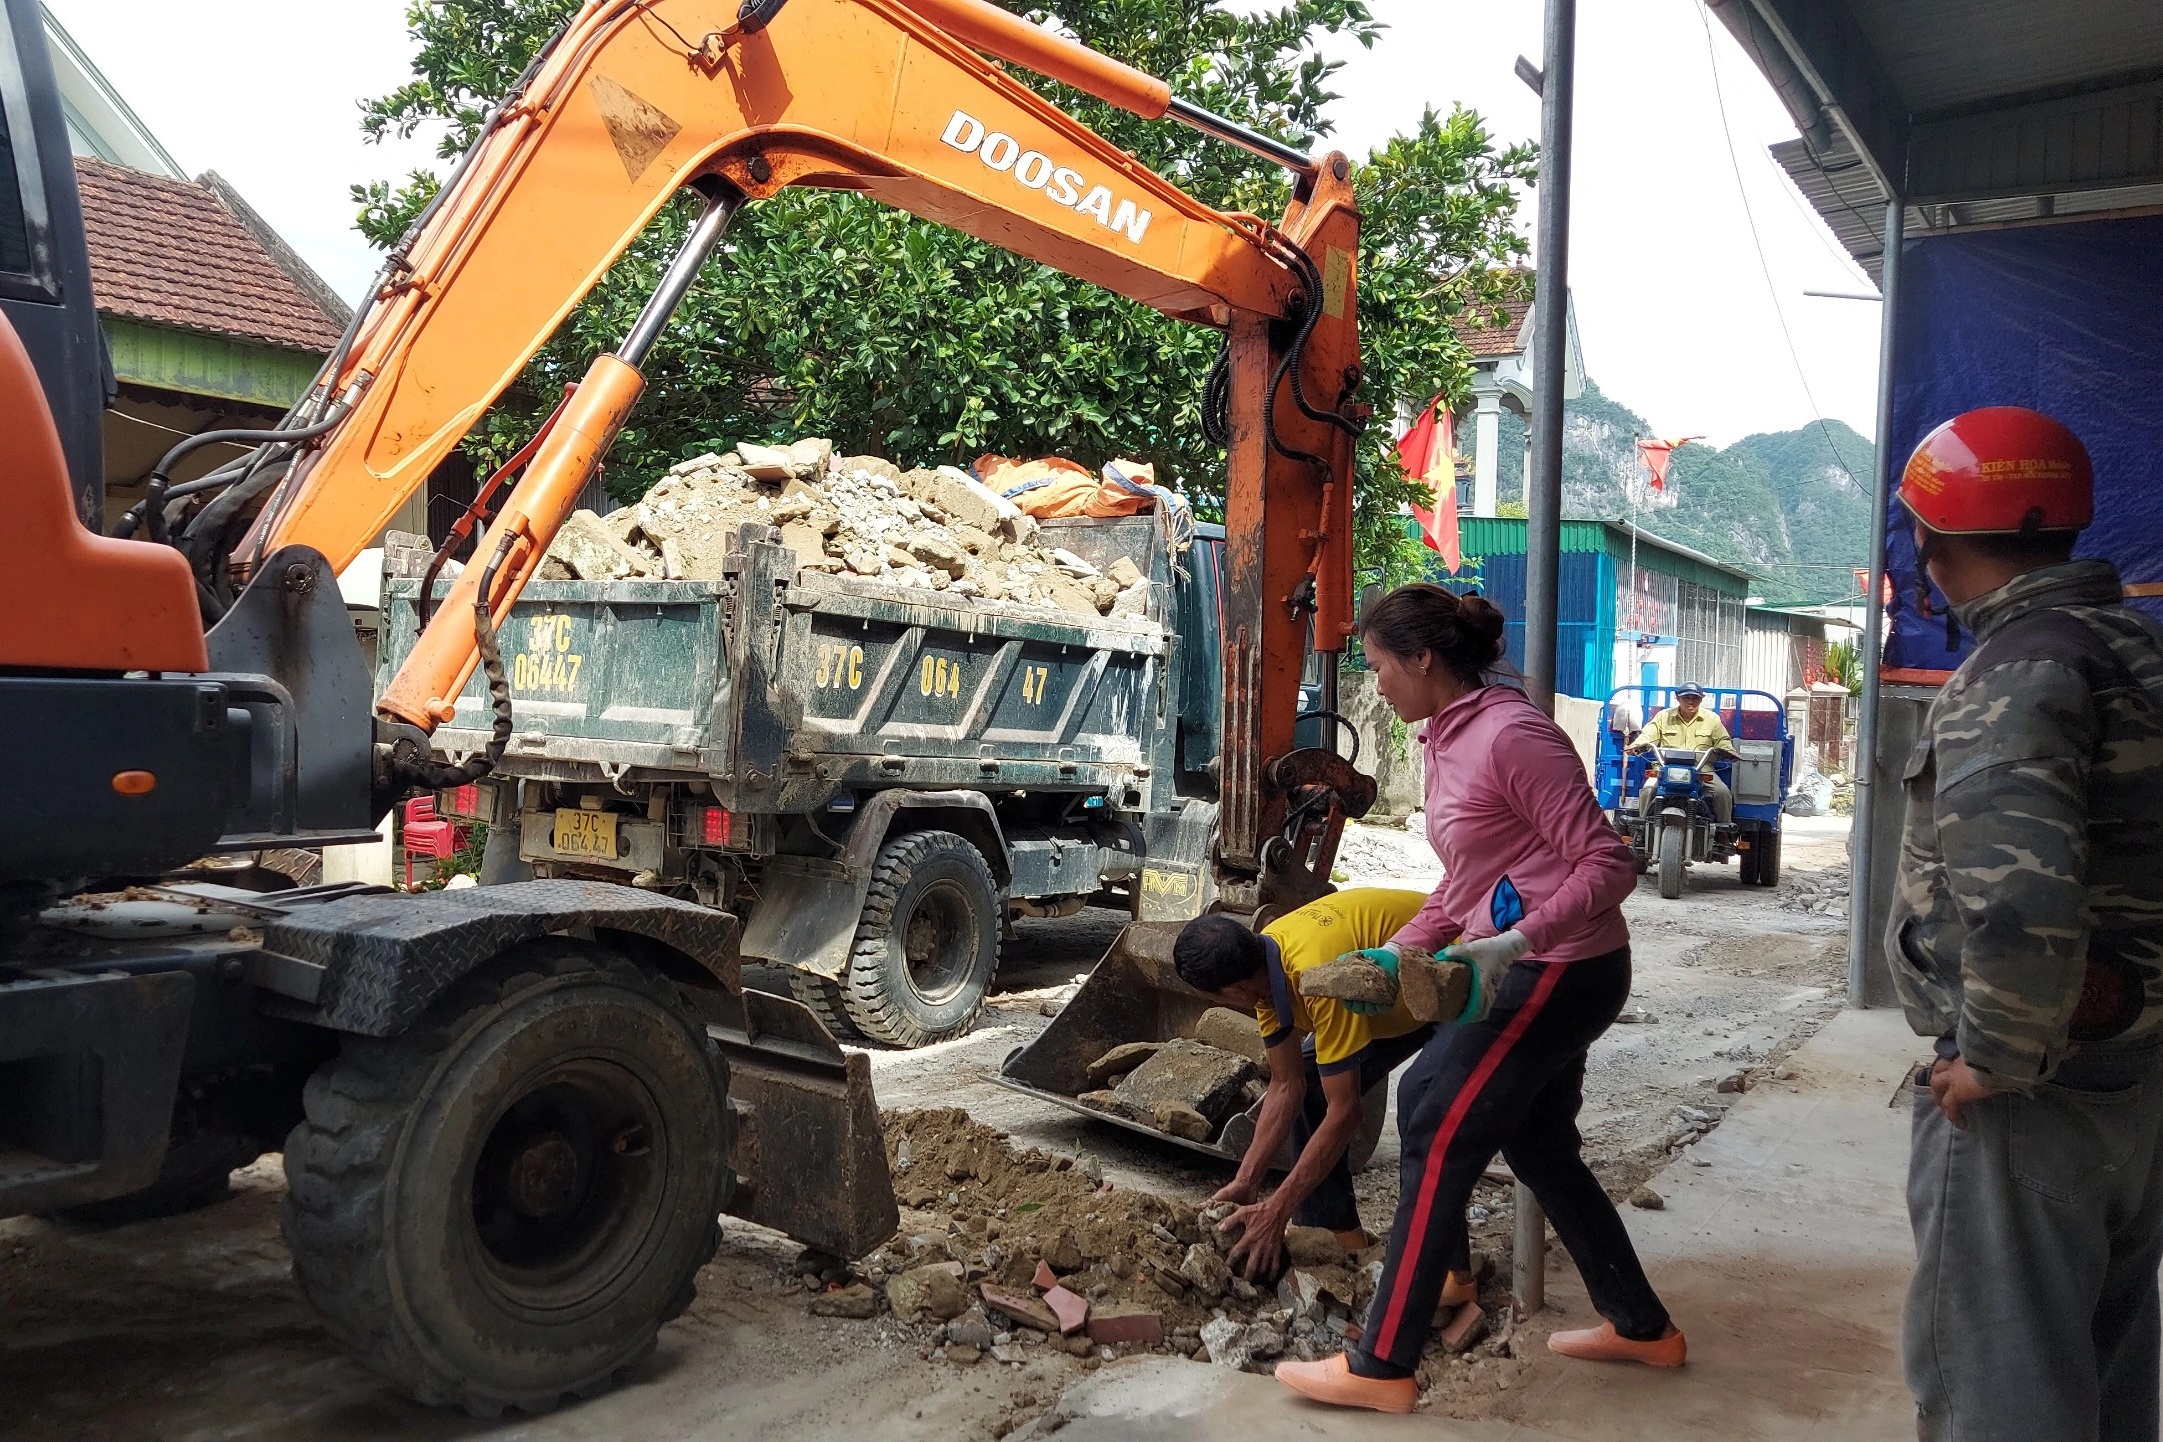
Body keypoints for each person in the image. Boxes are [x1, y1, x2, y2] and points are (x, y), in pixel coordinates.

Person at [1276, 584, 1683, 1415]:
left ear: (1424, 659)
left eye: (1382, 664)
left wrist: (1516, 940)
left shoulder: (1512, 734)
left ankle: (1380, 1364)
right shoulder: (1445, 736)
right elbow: (1465, 881)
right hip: (1522, 962)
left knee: (1429, 1109)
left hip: (1559, 968)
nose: (1376, 681)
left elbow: (1607, 865)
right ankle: (1641, 1327)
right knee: (1536, 1144)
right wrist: (1400, 949)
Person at [1886, 407, 2163, 1442]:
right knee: (2108, 1353)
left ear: (1936, 541)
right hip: (2134, 1059)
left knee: (1997, 1379)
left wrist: (1996, 1056)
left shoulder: (2012, 675)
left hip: (2033, 1084)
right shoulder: (2137, 648)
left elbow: (2015, 894)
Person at [1174, 890, 1458, 1286]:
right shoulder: (1264, 965)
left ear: (1234, 991)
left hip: (1461, 978)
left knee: (1424, 1105)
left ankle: (1451, 1271)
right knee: (1310, 1084)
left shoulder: (1318, 974)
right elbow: (1286, 1084)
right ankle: (1335, 1235)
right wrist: (1247, 1180)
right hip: (1396, 998)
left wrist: (1278, 1209)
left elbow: (1345, 1111)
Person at [1627, 684, 1737, 826]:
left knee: (1722, 793)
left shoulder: (1712, 719)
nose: (1690, 702)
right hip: (1664, 768)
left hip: (1701, 769)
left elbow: (1722, 739)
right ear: (1678, 698)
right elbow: (1648, 734)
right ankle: (1643, 826)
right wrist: (1637, 745)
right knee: (1648, 789)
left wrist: (1728, 750)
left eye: (1695, 698)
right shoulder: (1663, 717)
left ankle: (1724, 831)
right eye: (1686, 698)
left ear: (1701, 699)